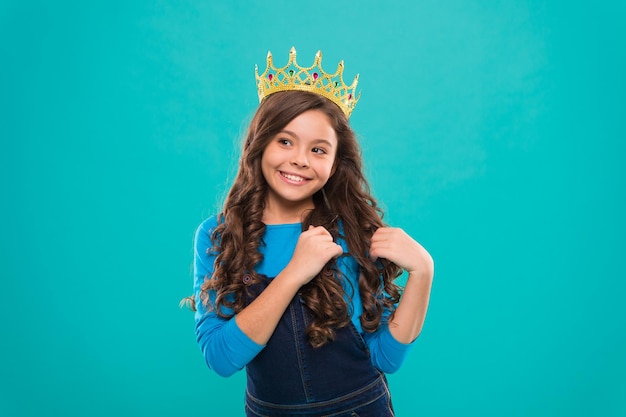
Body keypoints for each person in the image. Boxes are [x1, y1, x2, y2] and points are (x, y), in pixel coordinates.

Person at [185, 47, 434, 416]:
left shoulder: (352, 232)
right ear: (259, 144)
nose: (300, 159)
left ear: (335, 163)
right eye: (285, 141)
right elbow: (221, 358)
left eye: (318, 149)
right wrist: (294, 273)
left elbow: (386, 357)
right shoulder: (219, 237)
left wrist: (423, 272)